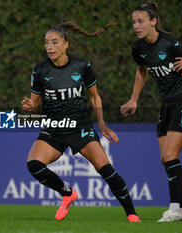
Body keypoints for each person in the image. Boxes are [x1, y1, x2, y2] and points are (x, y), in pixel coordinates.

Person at [21, 21, 141, 222]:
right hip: (54, 128)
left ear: (66, 44)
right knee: (34, 165)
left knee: (106, 169)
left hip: (80, 127)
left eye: (55, 42)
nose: (49, 47)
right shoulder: (40, 70)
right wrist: (30, 107)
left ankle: (131, 213)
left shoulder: (82, 66)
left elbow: (95, 97)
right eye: (46, 43)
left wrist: (101, 124)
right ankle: (67, 193)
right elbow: (34, 102)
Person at [120, 1, 182, 222]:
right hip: (167, 105)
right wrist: (133, 99)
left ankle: (174, 209)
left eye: (141, 21)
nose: (136, 26)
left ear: (153, 21)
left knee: (169, 155)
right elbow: (141, 71)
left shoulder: (171, 44)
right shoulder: (138, 48)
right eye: (134, 22)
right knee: (166, 160)